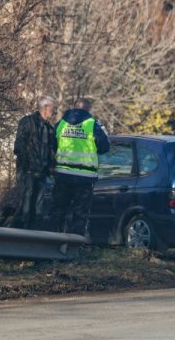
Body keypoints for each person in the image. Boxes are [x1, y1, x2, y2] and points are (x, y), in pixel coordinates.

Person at [48, 98, 110, 236]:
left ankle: (50, 246)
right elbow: (105, 147)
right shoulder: (93, 125)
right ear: (88, 110)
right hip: (85, 178)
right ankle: (72, 249)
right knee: (80, 214)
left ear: (74, 108)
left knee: (57, 212)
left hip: (62, 175)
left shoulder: (61, 124)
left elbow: (52, 146)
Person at [10, 95, 57, 230]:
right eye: (52, 109)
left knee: (38, 210)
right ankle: (17, 237)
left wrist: (51, 170)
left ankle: (33, 239)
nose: (53, 112)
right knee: (24, 207)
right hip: (27, 172)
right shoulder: (27, 122)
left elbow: (51, 152)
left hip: (42, 174)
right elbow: (19, 147)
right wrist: (27, 167)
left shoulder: (49, 128)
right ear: (45, 108)